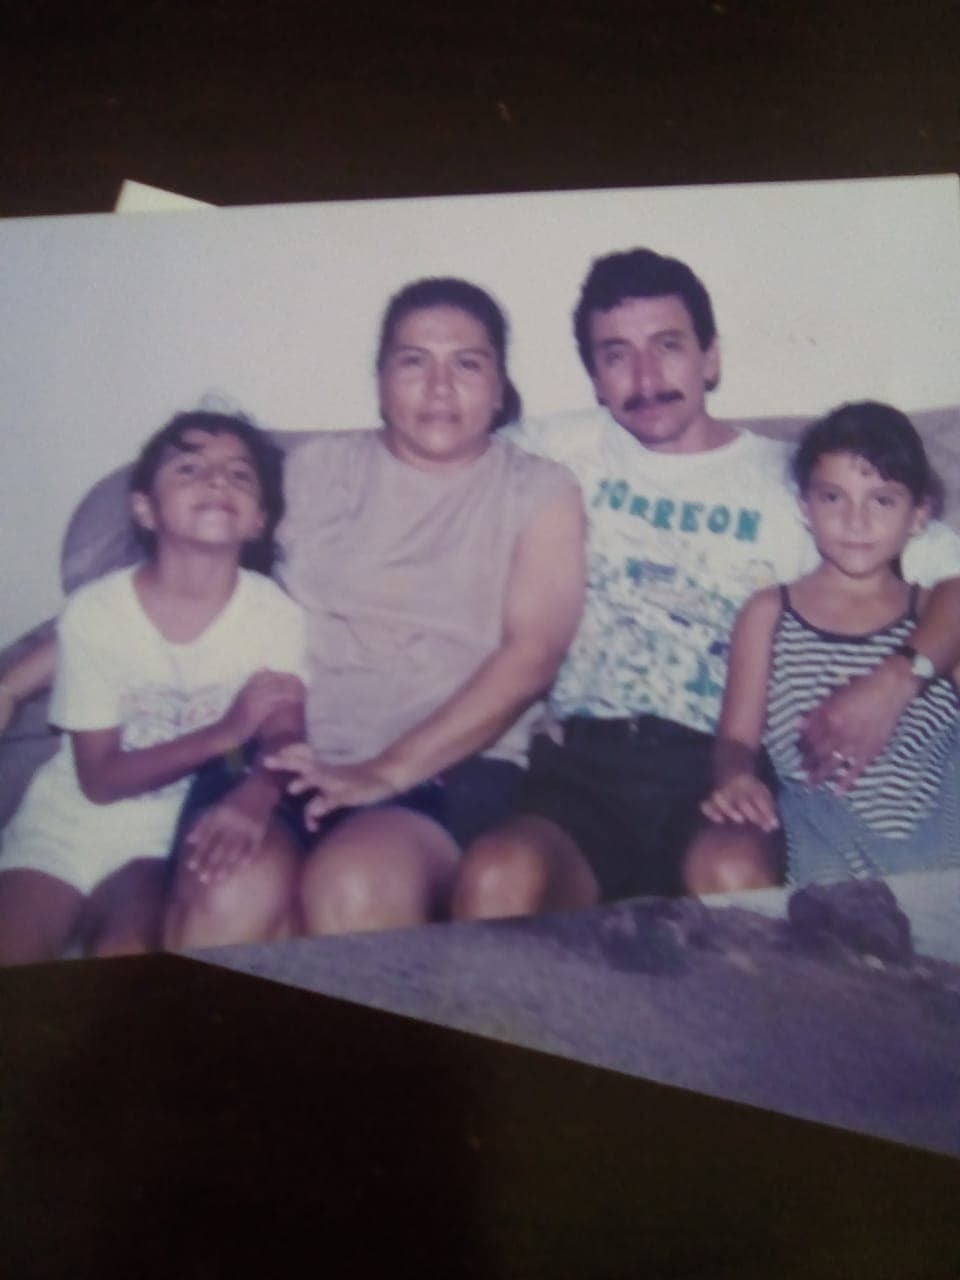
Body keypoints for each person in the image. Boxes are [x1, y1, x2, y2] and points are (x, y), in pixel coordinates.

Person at [452, 249, 960, 918]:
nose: (645, 377)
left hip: (720, 766)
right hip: (583, 767)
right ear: (595, 377)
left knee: (731, 874)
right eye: (616, 355)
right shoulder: (557, 450)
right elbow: (442, 448)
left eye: (667, 346)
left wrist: (899, 679)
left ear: (710, 358)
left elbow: (952, 579)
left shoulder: (802, 483)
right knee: (497, 877)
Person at [226, 277, 585, 937]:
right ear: (381, 380)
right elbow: (195, 580)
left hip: (449, 771)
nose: (439, 387)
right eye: (414, 361)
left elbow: (533, 657)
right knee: (225, 893)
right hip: (293, 761)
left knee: (354, 883)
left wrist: (381, 773)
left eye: (466, 364)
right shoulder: (311, 471)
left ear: (499, 387)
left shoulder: (539, 491)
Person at [0, 411, 307, 965]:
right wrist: (224, 733)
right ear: (145, 509)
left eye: (240, 474)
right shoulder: (97, 613)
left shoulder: (273, 616)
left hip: (163, 839)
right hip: (64, 825)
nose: (217, 480)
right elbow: (99, 780)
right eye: (189, 468)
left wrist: (260, 789)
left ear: (258, 521)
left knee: (130, 951)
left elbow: (285, 733)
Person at [700, 402, 960, 884]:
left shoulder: (934, 615)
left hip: (942, 821)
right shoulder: (768, 612)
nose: (855, 521)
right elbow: (736, 738)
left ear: (918, 514)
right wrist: (736, 777)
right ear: (805, 506)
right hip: (823, 827)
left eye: (882, 501)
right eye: (833, 497)